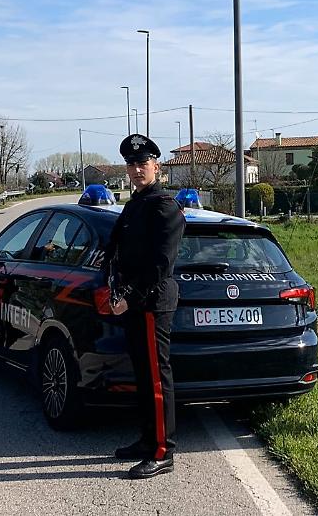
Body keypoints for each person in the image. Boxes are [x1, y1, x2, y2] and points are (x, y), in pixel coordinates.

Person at [103, 133, 186, 479]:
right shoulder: (135, 202)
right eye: (131, 164)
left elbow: (160, 265)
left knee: (156, 377)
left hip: (152, 302)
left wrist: (130, 298)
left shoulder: (163, 206)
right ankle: (147, 440)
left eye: (143, 163)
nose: (137, 169)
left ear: (157, 166)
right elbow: (118, 248)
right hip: (133, 302)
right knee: (142, 374)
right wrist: (110, 283)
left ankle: (162, 451)